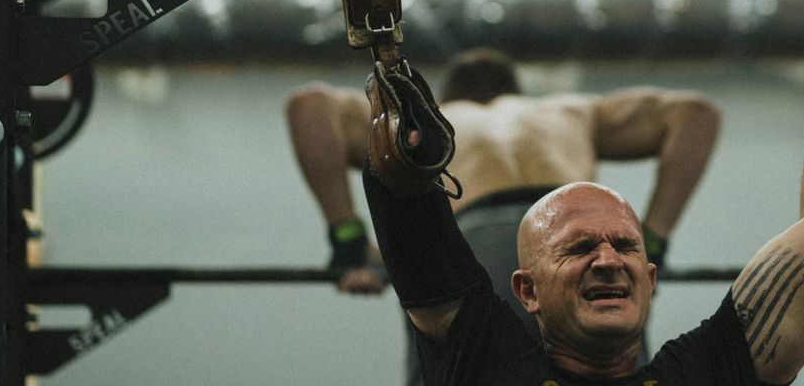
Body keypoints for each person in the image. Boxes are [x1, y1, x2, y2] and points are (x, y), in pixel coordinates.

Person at [361, 0, 804, 385]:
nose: (609, 260)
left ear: (651, 278)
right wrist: (388, 65)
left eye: (626, 245)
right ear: (526, 291)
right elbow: (410, 219)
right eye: (578, 248)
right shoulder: (489, 364)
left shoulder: (704, 373)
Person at [285, 47, 722, 382]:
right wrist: (653, 241)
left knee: (453, 361)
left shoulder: (436, 118)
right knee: (608, 363)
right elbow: (697, 114)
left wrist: (349, 243)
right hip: (573, 243)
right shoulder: (567, 111)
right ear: (516, 91)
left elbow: (309, 106)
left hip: (476, 246)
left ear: (448, 92)